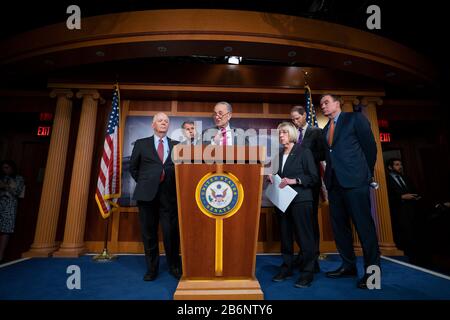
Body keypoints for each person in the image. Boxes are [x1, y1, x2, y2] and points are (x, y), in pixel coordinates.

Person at [319, 94, 380, 289]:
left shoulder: (355, 119)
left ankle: (373, 277)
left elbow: (370, 148)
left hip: (356, 183)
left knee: (365, 229)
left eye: (326, 102)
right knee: (340, 229)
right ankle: (348, 266)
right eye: (321, 104)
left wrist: (366, 175)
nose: (323, 106)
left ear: (338, 103)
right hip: (334, 185)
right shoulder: (325, 129)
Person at [130, 112, 181, 281]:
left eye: (166, 121)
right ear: (153, 125)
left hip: (170, 196)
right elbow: (133, 168)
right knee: (149, 234)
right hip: (146, 196)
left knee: (171, 234)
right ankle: (152, 269)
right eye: (160, 121)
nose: (163, 123)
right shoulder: (141, 144)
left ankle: (174, 266)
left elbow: (182, 171)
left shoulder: (177, 145)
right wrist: (147, 183)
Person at [268, 122, 319, 288]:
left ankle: (307, 272)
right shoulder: (278, 154)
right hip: (282, 201)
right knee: (285, 236)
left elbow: (313, 177)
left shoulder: (304, 152)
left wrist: (294, 180)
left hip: (301, 200)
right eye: (279, 133)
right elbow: (276, 174)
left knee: (305, 237)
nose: (280, 135)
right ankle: (287, 267)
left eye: (283, 132)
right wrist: (271, 176)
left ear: (291, 134)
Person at [290, 105, 325, 272]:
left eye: (297, 118)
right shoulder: (292, 133)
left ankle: (313, 254)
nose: (295, 121)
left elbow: (323, 154)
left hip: (310, 181)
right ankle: (303, 253)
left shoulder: (316, 132)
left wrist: (305, 156)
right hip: (293, 183)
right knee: (298, 220)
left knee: (310, 220)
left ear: (305, 115)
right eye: (293, 119)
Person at [386, 158, 422, 262]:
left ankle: (416, 259)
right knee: (403, 236)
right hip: (398, 212)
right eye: (397, 165)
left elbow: (414, 190)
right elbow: (387, 197)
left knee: (414, 235)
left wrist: (416, 196)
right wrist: (401, 197)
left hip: (411, 211)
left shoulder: (406, 177)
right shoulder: (386, 180)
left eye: (400, 164)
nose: (400, 166)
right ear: (390, 167)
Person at [0, 160, 25, 262]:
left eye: (7, 167)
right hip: (1, 204)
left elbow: (17, 192)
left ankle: (0, 255)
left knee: (5, 231)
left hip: (9, 206)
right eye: (3, 167)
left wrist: (5, 186)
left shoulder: (18, 179)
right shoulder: (2, 177)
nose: (5, 170)